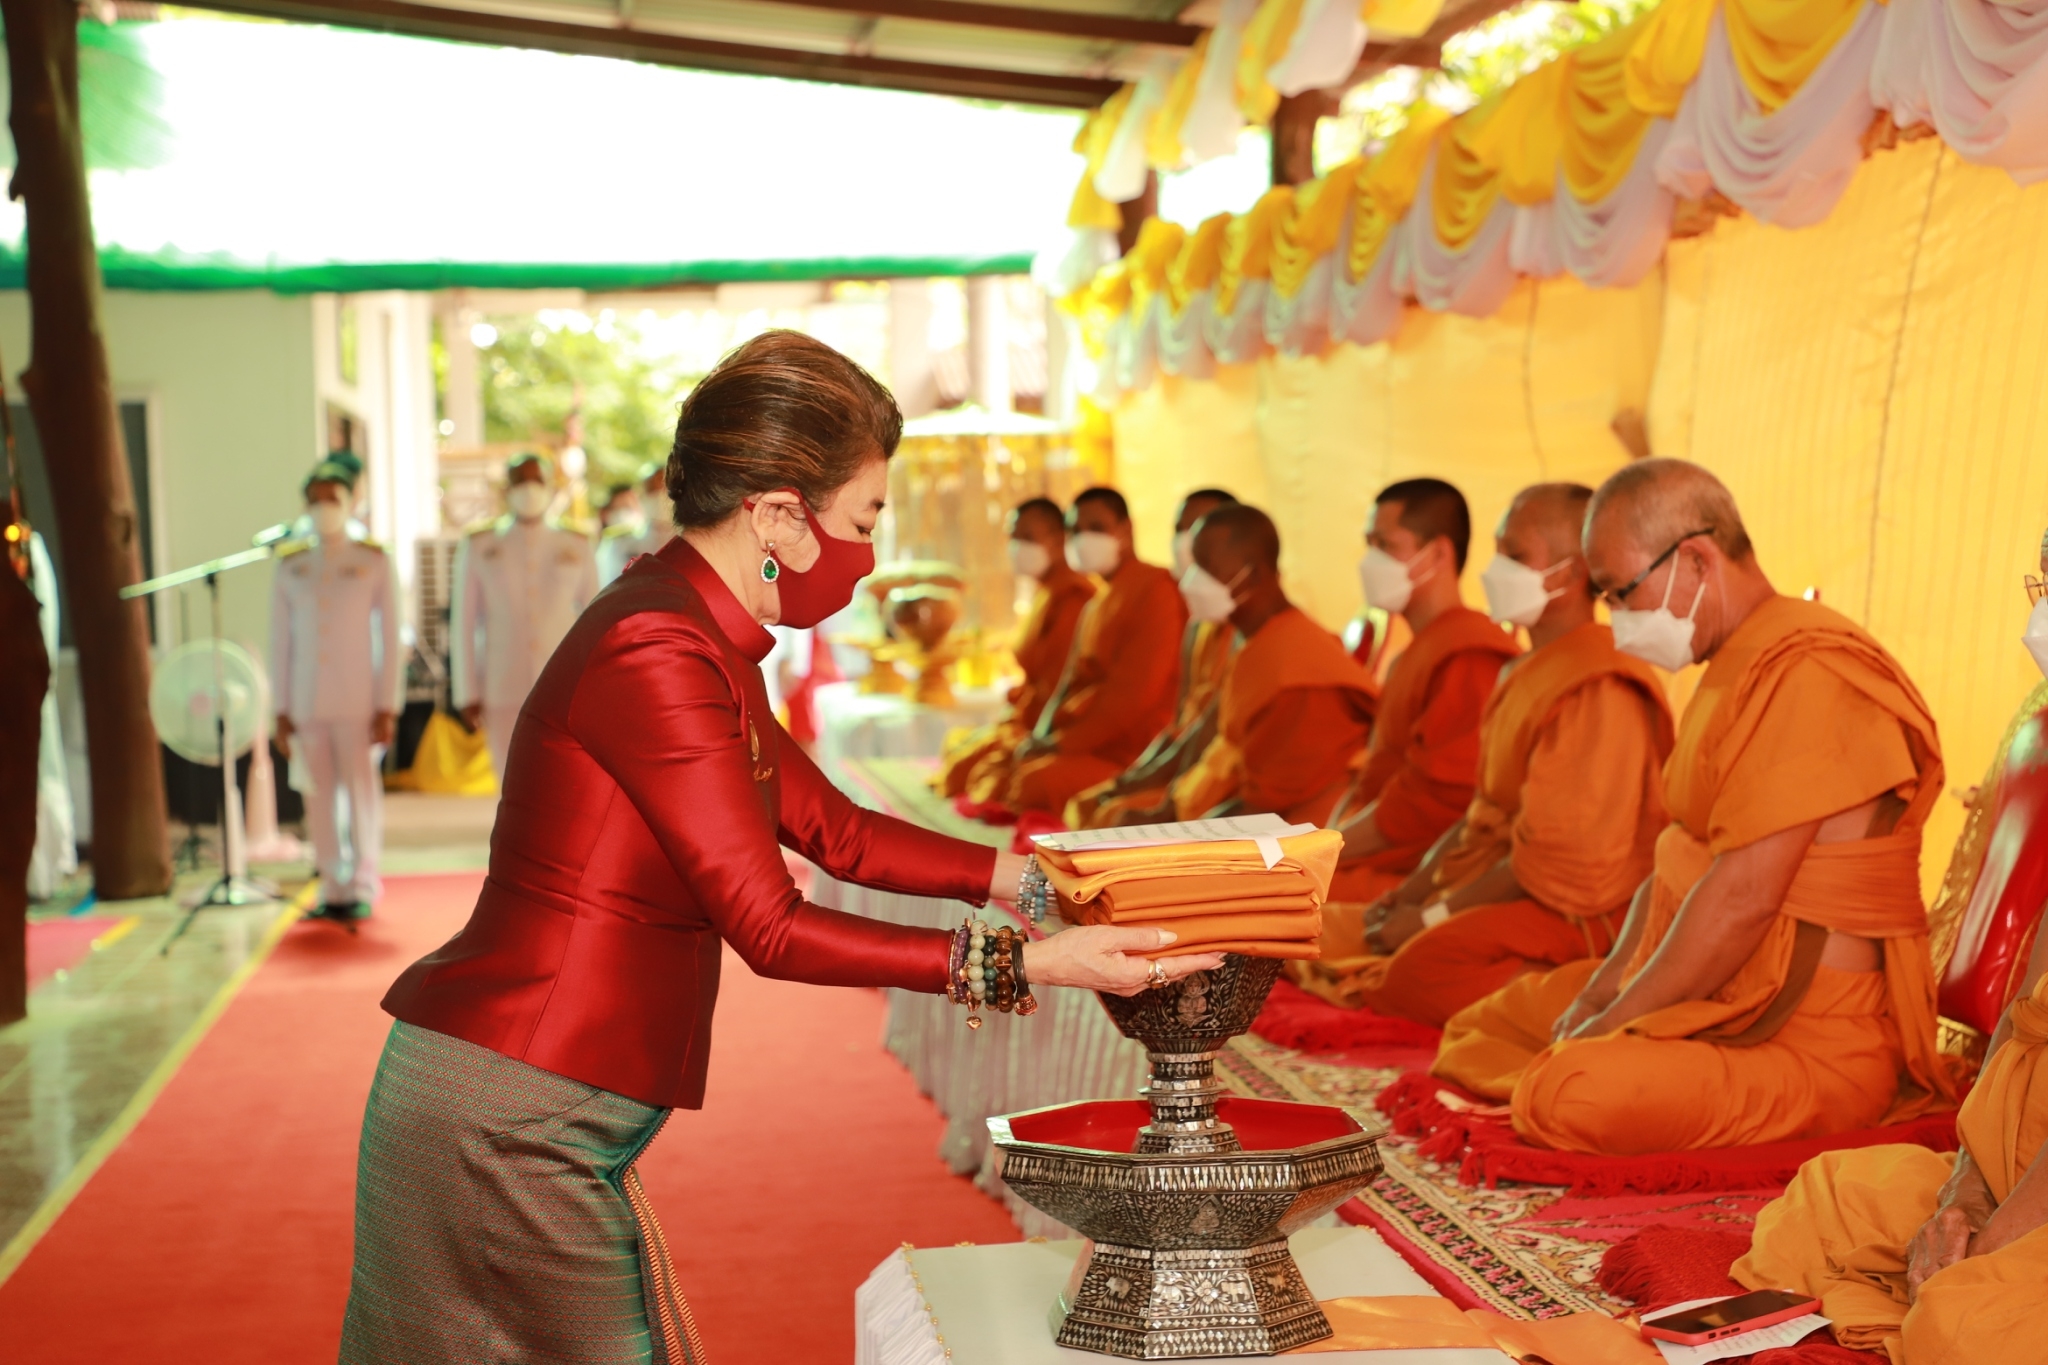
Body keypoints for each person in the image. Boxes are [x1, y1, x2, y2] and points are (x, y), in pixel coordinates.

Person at [339, 331, 1223, 1365]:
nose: (868, 553)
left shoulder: (693, 629)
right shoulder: (658, 646)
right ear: (773, 515)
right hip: (505, 1115)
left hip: (524, 1104)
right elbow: (767, 923)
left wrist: (1033, 882)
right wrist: (1030, 961)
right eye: (861, 520)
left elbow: (831, 828)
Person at [1432, 458, 1958, 1153]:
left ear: (1697, 560)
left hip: (1806, 1040)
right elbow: (1679, 859)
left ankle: (1593, 1067)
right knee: (1486, 1023)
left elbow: (1741, 898)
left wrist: (1617, 1020)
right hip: (1717, 999)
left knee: (1568, 1091)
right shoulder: (1732, 664)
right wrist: (1601, 995)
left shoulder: (1806, 669)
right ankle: (1600, 1055)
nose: (1615, 616)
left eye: (1620, 591)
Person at [1299, 485, 1673, 1024]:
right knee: (1314, 930)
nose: (1495, 570)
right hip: (1480, 881)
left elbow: (1559, 863)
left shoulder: (1599, 681)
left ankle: (1562, 990)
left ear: (1569, 575)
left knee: (1417, 971)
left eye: (1515, 556)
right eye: (1498, 552)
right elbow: (1482, 812)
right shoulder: (1520, 668)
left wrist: (1431, 916)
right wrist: (1415, 892)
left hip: (1568, 910)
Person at [1733, 926, 2048, 1361]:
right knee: (1827, 1192)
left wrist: (1989, 1247)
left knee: (1961, 1328)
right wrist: (1964, 1195)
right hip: (2009, 1176)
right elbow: (2021, 1014)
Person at [1325, 479, 1519, 904]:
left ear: (1439, 554)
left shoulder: (1470, 654)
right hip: (1371, 854)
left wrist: (1325, 853)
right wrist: (1324, 843)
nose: (1371, 560)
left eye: (1386, 545)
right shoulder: (1410, 655)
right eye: (1369, 543)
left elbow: (1434, 803)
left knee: (1272, 903)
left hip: (1420, 875)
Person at [1157, 503, 1375, 825]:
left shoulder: (1299, 669)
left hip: (1291, 835)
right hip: (1215, 803)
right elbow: (1217, 746)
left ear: (1254, 575)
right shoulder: (1253, 643)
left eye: (1207, 568)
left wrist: (1179, 833)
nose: (1192, 580)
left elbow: (1266, 805)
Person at [270, 459, 400, 924]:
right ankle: (332, 884)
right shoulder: (292, 566)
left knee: (361, 795)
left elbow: (389, 634)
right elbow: (280, 642)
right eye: (316, 499)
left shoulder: (372, 559)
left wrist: (388, 704)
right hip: (308, 701)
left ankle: (363, 881)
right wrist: (280, 708)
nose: (324, 507)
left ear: (351, 504)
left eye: (334, 499)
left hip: (360, 700)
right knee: (318, 795)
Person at [1005, 487, 1187, 816]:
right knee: (1006, 765)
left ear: (1126, 530)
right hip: (1085, 741)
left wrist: (1062, 744)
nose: (1084, 539)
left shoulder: (1155, 589)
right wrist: (1045, 737)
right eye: (1076, 530)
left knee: (1031, 782)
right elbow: (1067, 683)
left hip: (1132, 750)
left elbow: (1134, 696)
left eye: (1097, 528)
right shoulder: (1096, 602)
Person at [1066, 488, 1241, 829]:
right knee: (1085, 806)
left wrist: (1156, 785)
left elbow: (1206, 727)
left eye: (1199, 530)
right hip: (1173, 763)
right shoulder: (1198, 622)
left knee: (1107, 817)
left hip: (1217, 777)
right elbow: (1181, 721)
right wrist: (1138, 776)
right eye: (1180, 529)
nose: (1187, 542)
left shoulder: (1245, 627)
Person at [937, 497, 1098, 804]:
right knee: (957, 747)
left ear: (1058, 539)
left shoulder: (1074, 597)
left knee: (968, 773)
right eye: (1013, 537)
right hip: (1026, 717)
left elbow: (1061, 687)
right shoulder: (1046, 592)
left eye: (1027, 537)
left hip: (1048, 726)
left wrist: (1035, 735)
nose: (1016, 546)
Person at [451, 452, 600, 781]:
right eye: (521, 481)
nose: (529, 489)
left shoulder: (576, 544)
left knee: (562, 781)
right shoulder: (480, 545)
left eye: (537, 480)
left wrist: (595, 687)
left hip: (562, 686)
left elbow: (596, 624)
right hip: (502, 684)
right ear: (507, 489)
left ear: (550, 488)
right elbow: (463, 624)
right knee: (509, 782)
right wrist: (467, 692)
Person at [594, 481, 649, 587]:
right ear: (605, 514)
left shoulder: (643, 544)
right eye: (624, 507)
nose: (630, 514)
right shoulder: (604, 550)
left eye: (634, 507)